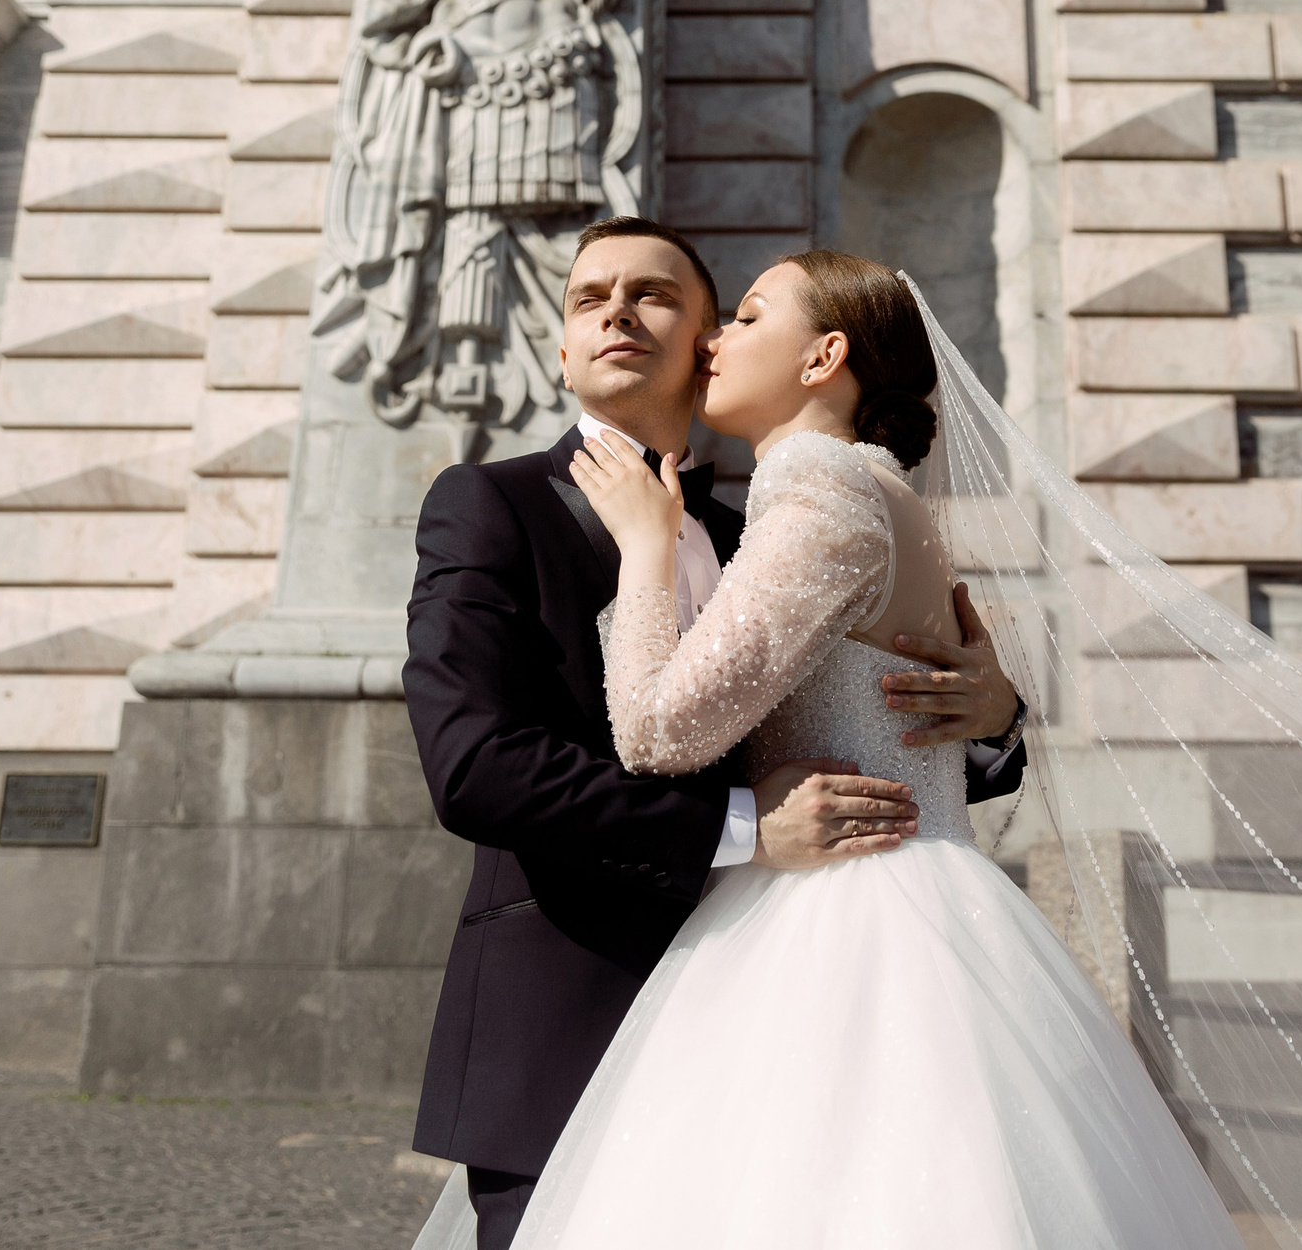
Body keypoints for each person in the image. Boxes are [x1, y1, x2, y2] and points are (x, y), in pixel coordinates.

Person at [519, 249, 1244, 1248]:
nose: (714, 337)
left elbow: (656, 731)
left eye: (747, 315)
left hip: (841, 916)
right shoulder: (875, 490)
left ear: (823, 355)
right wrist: (995, 707)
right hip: (927, 895)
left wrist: (647, 547)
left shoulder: (816, 496)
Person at [400, 219, 1030, 1250]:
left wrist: (993, 714)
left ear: (704, 346)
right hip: (567, 1012)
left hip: (797, 1021)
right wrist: (744, 825)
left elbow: (872, 712)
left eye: (653, 293)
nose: (613, 308)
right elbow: (474, 765)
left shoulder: (764, 523)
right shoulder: (490, 504)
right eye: (586, 296)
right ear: (561, 349)